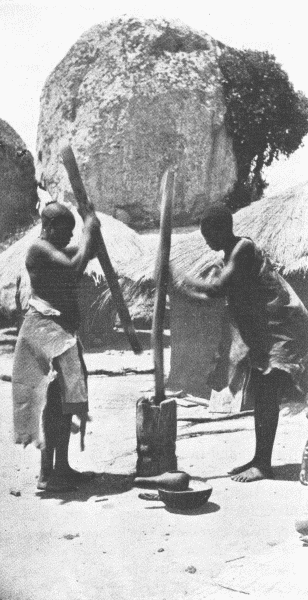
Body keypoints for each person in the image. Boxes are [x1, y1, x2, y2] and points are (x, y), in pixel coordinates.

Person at [180, 203, 308, 482]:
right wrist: (183, 290)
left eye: (207, 232)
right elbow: (210, 296)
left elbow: (215, 287)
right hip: (264, 332)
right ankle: (260, 458)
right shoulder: (225, 259)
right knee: (264, 394)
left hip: (282, 328)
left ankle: (263, 464)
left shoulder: (243, 249)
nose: (205, 239)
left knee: (266, 393)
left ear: (222, 228)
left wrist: (180, 276)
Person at [12, 200, 101, 492]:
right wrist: (89, 226)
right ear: (48, 227)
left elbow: (82, 253)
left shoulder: (55, 248)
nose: (67, 239)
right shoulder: (39, 249)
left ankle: (59, 469)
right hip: (46, 335)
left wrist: (91, 237)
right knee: (53, 406)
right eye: (63, 233)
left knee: (63, 405)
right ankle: (48, 474)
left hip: (60, 334)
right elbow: (75, 266)